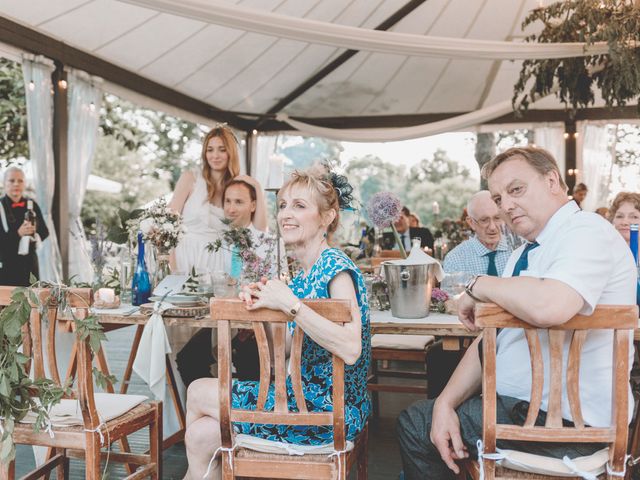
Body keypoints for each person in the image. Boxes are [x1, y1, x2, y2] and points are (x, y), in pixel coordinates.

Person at [397, 146, 637, 480]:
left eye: (516, 190)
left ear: (552, 180)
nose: (506, 206)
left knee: (414, 425)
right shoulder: (525, 252)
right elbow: (491, 340)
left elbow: (551, 305)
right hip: (517, 411)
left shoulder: (587, 231)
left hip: (565, 424)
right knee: (430, 416)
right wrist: (445, 403)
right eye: (498, 199)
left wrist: (477, 283)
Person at [182, 167, 371, 479]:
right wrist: (263, 309)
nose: (286, 214)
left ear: (326, 218)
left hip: (329, 411)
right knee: (202, 435)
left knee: (199, 390)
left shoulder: (336, 267)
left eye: (299, 206)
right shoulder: (303, 275)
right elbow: (284, 354)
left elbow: (351, 348)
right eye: (283, 205)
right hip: (302, 402)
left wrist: (290, 305)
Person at [176, 179, 286, 385]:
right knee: (187, 359)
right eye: (227, 201)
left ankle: (249, 412)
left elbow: (280, 287)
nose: (231, 208)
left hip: (257, 323)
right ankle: (216, 406)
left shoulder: (270, 243)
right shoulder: (214, 243)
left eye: (238, 202)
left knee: (250, 361)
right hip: (221, 322)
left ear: (253, 205)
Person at [168, 124, 267, 274]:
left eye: (222, 149)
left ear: (231, 153)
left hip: (218, 265)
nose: (215, 156)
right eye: (210, 150)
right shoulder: (190, 178)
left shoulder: (237, 188)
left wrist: (257, 188)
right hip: (183, 258)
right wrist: (172, 267)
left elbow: (259, 229)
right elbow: (167, 225)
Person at [442, 191, 512, 276]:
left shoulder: (516, 250)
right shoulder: (455, 259)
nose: (492, 227)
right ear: (471, 223)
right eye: (484, 220)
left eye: (497, 218)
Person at [0, 166, 49, 286]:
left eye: (20, 181)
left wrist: (35, 232)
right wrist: (18, 234)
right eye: (11, 180)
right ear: (3, 183)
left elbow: (45, 232)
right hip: (7, 267)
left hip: (30, 266)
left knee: (32, 302)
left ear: (24, 184)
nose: (16, 184)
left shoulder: (32, 204)